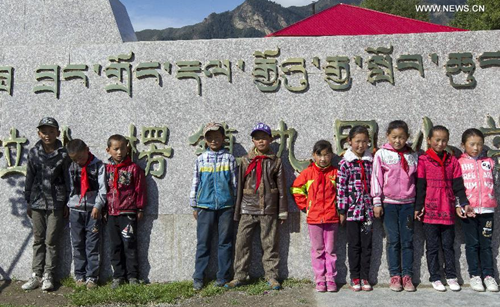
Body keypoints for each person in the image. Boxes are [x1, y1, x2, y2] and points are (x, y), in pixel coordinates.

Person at [225, 123, 288, 290]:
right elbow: (239, 188)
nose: (261, 141)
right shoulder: (245, 160)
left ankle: (272, 276)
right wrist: (237, 211)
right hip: (248, 207)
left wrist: (282, 211)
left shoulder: (276, 161)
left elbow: (281, 187)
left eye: (264, 138)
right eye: (257, 138)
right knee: (241, 243)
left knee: (270, 244)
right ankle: (239, 276)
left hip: (268, 208)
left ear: (270, 139)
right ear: (253, 140)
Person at [414, 125, 469, 292]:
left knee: (448, 245)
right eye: (437, 140)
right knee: (432, 246)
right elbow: (421, 186)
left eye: (444, 140)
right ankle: (435, 276)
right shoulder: (423, 160)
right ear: (429, 140)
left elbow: (459, 185)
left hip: (447, 209)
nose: (440, 143)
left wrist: (462, 203)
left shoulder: (452, 161)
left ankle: (451, 275)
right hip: (430, 210)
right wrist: (418, 207)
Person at [370, 120, 418, 292]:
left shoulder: (412, 155)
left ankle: (407, 276)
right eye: (394, 137)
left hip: (408, 204)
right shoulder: (381, 154)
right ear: (388, 136)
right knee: (393, 240)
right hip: (389, 204)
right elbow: (376, 178)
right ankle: (395, 276)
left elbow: (417, 180)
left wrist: (418, 205)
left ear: (407, 137)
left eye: (402, 137)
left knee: (407, 240)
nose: (398, 141)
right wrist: (377, 201)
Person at [22, 117, 69, 291]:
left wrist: (67, 203)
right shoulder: (34, 152)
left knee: (51, 240)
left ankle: (49, 275)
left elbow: (67, 179)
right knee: (38, 239)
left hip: (57, 202)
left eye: (51, 131)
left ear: (58, 132)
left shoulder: (64, 154)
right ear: (38, 133)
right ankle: (36, 275)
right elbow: (29, 176)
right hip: (37, 201)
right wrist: (28, 200)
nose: (47, 135)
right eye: (44, 131)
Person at [190, 123, 238, 291]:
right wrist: (194, 204)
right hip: (205, 205)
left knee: (225, 242)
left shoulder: (229, 158)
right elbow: (195, 182)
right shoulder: (201, 159)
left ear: (223, 138)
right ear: (205, 140)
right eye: (210, 137)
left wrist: (235, 203)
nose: (214, 140)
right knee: (203, 242)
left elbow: (234, 183)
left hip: (226, 205)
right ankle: (198, 277)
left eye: (217, 136)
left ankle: (223, 276)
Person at [291, 140, 341, 292]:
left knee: (330, 250)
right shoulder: (308, 173)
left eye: (326, 155)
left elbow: (342, 193)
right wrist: (306, 206)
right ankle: (320, 279)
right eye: (319, 155)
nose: (323, 158)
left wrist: (339, 209)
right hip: (314, 219)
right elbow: (296, 189)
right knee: (318, 250)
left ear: (331, 155)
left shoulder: (335, 173)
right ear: (313, 155)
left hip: (332, 218)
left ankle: (331, 278)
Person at [457, 128, 499, 292]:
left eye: (479, 144)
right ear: (463, 145)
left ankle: (489, 276)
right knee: (472, 244)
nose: (476, 148)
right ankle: (475, 275)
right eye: (472, 144)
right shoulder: (459, 163)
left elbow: (495, 184)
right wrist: (458, 206)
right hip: (469, 210)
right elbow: (457, 187)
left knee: (486, 244)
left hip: (487, 210)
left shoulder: (489, 162)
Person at [105, 134, 147, 289]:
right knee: (115, 246)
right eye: (115, 149)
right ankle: (118, 276)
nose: (119, 152)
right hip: (111, 213)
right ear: (108, 150)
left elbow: (140, 189)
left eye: (122, 148)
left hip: (127, 213)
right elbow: (104, 191)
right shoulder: (106, 169)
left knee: (129, 245)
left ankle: (133, 276)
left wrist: (140, 207)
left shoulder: (133, 168)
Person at [337, 125, 374, 292]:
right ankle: (355, 276)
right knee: (354, 245)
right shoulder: (345, 163)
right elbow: (341, 189)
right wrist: (342, 210)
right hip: (352, 212)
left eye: (364, 141)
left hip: (368, 211)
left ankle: (365, 275)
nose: (360, 145)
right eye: (357, 141)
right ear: (349, 142)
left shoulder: (371, 161)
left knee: (367, 245)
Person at [66, 139, 106, 289]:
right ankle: (79, 275)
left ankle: (92, 277)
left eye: (81, 158)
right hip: (75, 210)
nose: (79, 161)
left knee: (92, 244)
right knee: (77, 244)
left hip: (92, 211)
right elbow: (68, 188)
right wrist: (68, 205)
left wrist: (98, 205)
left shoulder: (98, 165)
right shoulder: (70, 166)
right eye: (75, 159)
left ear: (87, 150)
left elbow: (103, 189)